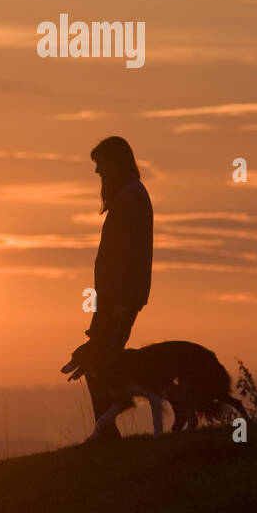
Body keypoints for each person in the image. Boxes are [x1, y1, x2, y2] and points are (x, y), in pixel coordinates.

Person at [84, 136, 153, 440]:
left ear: (116, 163)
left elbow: (131, 254)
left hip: (118, 301)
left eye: (101, 165)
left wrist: (120, 303)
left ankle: (106, 433)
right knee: (99, 361)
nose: (98, 172)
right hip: (113, 300)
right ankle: (106, 431)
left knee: (99, 362)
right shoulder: (128, 196)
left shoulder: (130, 197)